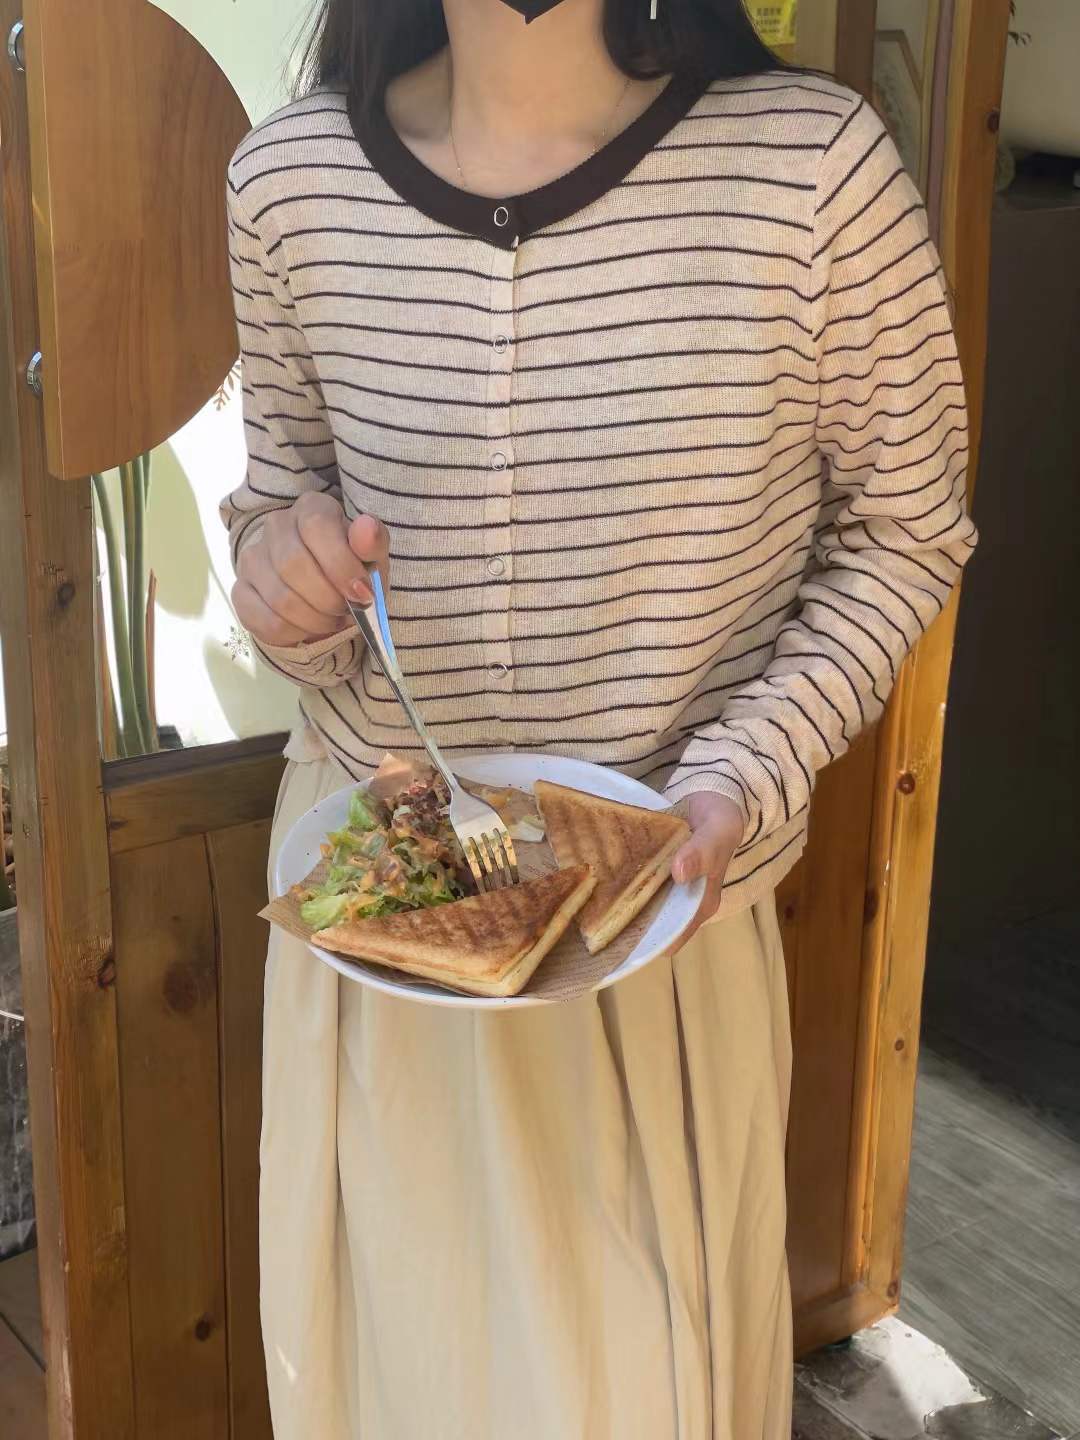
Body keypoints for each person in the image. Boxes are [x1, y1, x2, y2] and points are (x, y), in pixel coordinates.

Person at [222, 0, 976, 1434]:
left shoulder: (811, 169)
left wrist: (742, 770)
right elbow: (279, 509)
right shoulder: (290, 181)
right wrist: (285, 582)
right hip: (381, 916)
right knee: (402, 1380)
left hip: (659, 926)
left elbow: (908, 532)